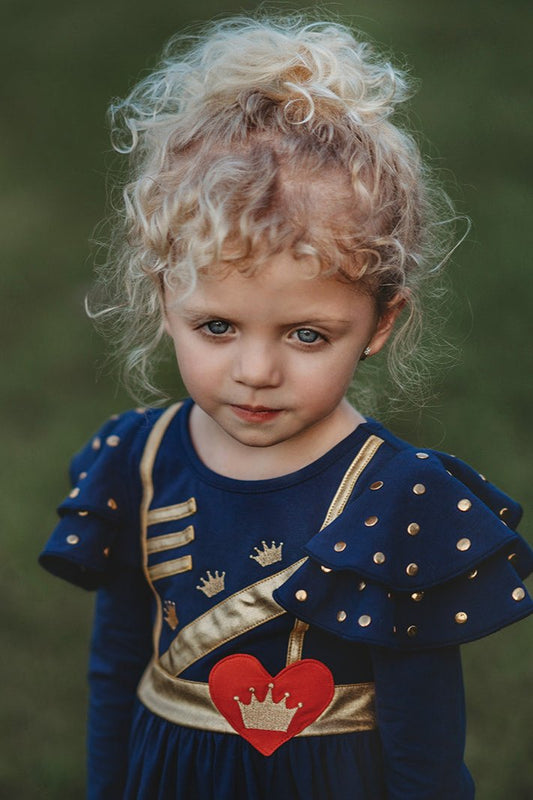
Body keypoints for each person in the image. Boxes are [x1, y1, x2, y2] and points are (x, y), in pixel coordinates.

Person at [39, 14, 532, 799]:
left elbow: (424, 747)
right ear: (165, 298)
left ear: (380, 322)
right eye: (217, 327)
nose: (255, 371)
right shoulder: (137, 460)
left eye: (307, 334)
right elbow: (116, 668)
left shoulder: (397, 497)